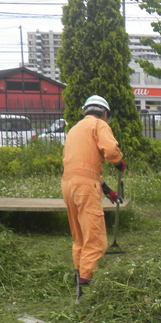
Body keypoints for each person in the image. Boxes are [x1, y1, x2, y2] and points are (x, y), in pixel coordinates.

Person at [61, 95, 126, 300]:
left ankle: (80, 276)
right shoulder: (99, 125)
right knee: (95, 239)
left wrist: (107, 191)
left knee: (80, 235)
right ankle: (87, 288)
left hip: (69, 185)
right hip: (85, 186)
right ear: (104, 113)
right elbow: (110, 150)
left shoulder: (75, 129)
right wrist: (119, 163)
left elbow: (83, 166)